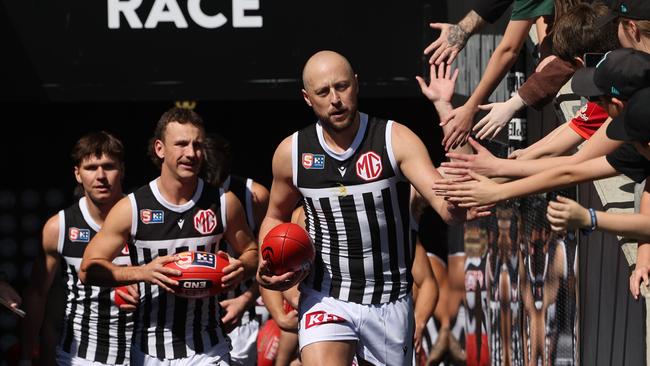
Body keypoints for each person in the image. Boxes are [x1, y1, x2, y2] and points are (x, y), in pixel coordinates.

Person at [255, 50, 489, 366]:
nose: (335, 99)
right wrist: (272, 262)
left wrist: (445, 109)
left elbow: (447, 208)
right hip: (327, 297)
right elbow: (274, 216)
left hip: (390, 304)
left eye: (341, 86)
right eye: (323, 92)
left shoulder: (395, 139)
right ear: (308, 98)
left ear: (356, 84)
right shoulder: (292, 153)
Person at [79, 108, 259, 365]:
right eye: (181, 144)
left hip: (209, 349)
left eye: (197, 145)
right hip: (151, 352)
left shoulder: (223, 203)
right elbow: (88, 269)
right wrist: (142, 273)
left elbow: (253, 252)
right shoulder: (132, 207)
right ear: (160, 149)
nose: (191, 153)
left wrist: (240, 268)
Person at [432, 48, 650, 207]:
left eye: (598, 99)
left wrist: (498, 183)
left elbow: (572, 170)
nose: (592, 103)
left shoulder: (627, 124)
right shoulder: (623, 113)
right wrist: (504, 166)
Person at [19, 131, 137, 365]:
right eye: (91, 168)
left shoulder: (144, 218)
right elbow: (38, 294)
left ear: (122, 170)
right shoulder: (58, 227)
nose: (101, 176)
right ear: (77, 174)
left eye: (109, 166)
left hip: (144, 354)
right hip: (81, 357)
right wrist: (25, 356)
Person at [202, 133, 270, 366]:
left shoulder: (255, 197)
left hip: (242, 315)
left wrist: (245, 300)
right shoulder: (178, 191)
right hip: (189, 317)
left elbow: (272, 261)